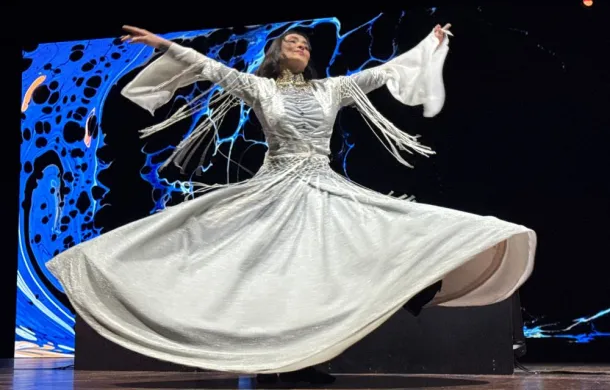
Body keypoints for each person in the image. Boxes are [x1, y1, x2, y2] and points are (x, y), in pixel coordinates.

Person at [46, 22, 536, 385]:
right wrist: (163, 45)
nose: (299, 46)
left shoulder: (332, 89)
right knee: (277, 275)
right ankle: (279, 362)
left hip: (321, 185)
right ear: (277, 55)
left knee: (369, 241)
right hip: (274, 189)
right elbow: (208, 68)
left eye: (305, 43)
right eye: (290, 43)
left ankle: (405, 289)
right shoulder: (259, 87)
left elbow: (389, 72)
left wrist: (430, 45)